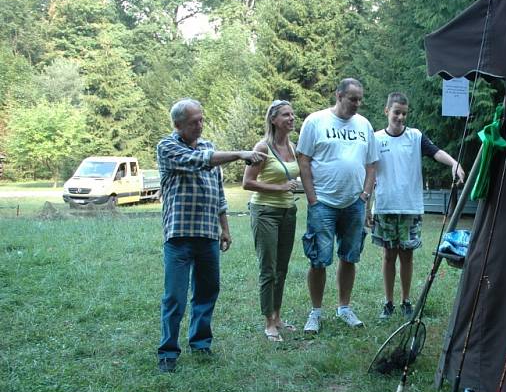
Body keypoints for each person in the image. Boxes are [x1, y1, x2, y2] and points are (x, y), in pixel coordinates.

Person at [156, 98, 267, 372]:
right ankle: (168, 351)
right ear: (178, 125)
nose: (200, 125)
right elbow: (198, 162)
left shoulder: (208, 146)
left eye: (202, 119)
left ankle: (201, 343)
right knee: (175, 296)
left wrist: (225, 227)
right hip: (179, 235)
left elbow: (217, 192)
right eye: (194, 122)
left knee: (207, 292)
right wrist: (241, 154)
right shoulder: (167, 147)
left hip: (207, 235)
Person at [371, 92, 465, 320]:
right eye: (396, 112)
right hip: (385, 206)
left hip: (410, 207)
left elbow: (436, 152)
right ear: (387, 112)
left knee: (407, 256)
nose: (400, 117)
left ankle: (405, 301)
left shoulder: (415, 137)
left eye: (404, 113)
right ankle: (388, 302)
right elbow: (368, 170)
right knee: (388, 256)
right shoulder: (375, 138)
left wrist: (454, 163)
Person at [296, 78, 379, 333]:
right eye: (353, 98)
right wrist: (312, 198)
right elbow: (304, 159)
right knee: (319, 259)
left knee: (349, 256)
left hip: (354, 202)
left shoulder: (364, 125)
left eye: (359, 99)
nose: (357, 103)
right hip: (323, 203)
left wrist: (365, 195)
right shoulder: (315, 121)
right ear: (339, 95)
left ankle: (344, 308)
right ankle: (316, 312)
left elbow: (372, 164)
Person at [242, 100, 300, 342]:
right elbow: (247, 182)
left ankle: (277, 317)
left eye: (292, 114)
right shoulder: (262, 147)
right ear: (274, 119)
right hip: (265, 212)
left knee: (282, 269)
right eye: (286, 115)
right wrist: (281, 187)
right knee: (268, 269)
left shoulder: (294, 147)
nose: (292, 118)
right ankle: (269, 322)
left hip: (288, 213)